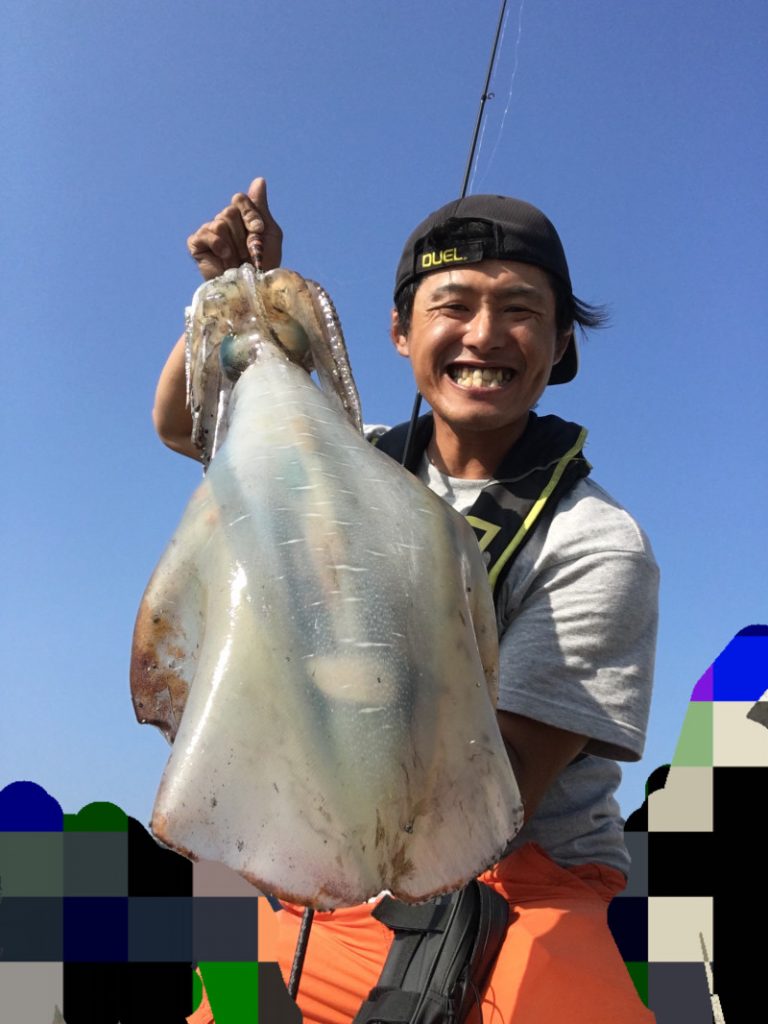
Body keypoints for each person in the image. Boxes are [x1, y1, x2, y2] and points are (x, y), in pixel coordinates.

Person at [155, 179, 659, 1024]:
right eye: (452, 305)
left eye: (521, 311)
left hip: (529, 878)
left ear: (561, 343)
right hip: (342, 862)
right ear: (400, 332)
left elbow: (496, 787)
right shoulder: (344, 462)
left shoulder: (597, 542)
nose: (484, 335)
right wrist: (238, 300)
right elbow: (188, 425)